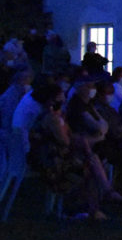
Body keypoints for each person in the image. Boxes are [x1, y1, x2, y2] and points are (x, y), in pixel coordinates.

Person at [27, 84, 104, 219]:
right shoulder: (51, 118)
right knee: (87, 168)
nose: (64, 97)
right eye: (61, 95)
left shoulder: (56, 116)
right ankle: (83, 209)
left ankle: (89, 207)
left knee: (88, 160)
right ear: (53, 99)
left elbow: (69, 136)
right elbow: (65, 141)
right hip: (50, 162)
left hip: (56, 156)